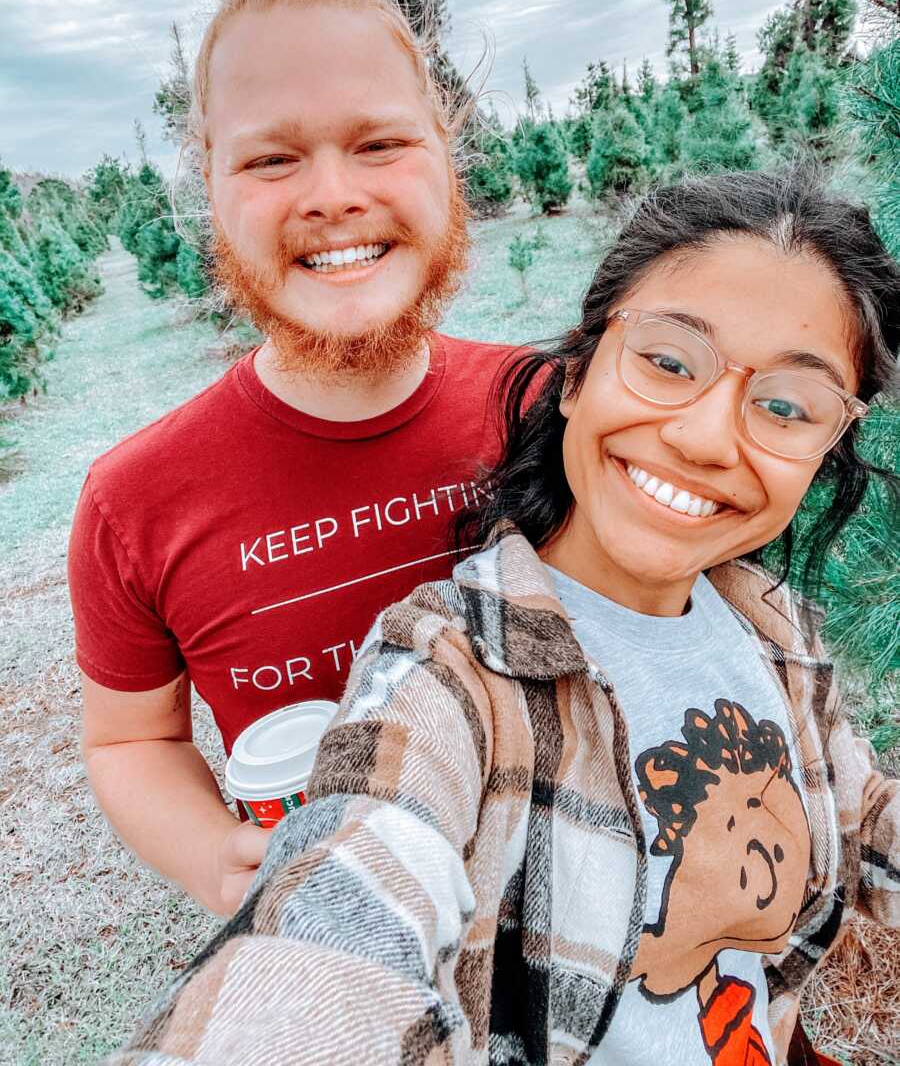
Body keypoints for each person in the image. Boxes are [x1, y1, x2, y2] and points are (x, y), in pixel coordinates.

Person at [108, 170, 899, 1066]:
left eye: (788, 406)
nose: (710, 436)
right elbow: (359, 879)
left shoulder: (772, 630)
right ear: (575, 377)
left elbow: (860, 814)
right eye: (670, 360)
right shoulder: (448, 673)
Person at [68, 0, 513, 919]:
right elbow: (131, 741)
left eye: (380, 142)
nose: (331, 196)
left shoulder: (552, 409)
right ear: (210, 195)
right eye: (272, 159)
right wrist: (215, 858)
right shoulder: (133, 502)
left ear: (449, 151)